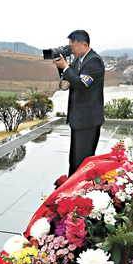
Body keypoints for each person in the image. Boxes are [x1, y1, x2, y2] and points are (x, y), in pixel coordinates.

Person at [54, 29, 105, 176]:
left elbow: (81, 84)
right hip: (78, 119)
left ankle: (81, 192)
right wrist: (62, 69)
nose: (72, 51)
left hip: (88, 120)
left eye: (73, 47)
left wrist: (66, 68)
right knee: (74, 159)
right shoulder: (77, 60)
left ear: (84, 44)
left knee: (82, 161)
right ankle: (71, 191)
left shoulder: (94, 61)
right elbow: (69, 82)